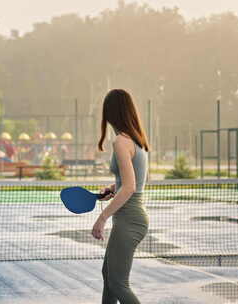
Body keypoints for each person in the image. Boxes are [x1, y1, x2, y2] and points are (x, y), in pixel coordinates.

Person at [92, 89, 150, 304]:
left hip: (129, 220)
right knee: (109, 277)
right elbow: (131, 182)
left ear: (111, 113)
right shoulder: (138, 141)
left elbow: (130, 187)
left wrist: (102, 218)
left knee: (118, 283)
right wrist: (112, 188)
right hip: (132, 217)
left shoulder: (120, 142)